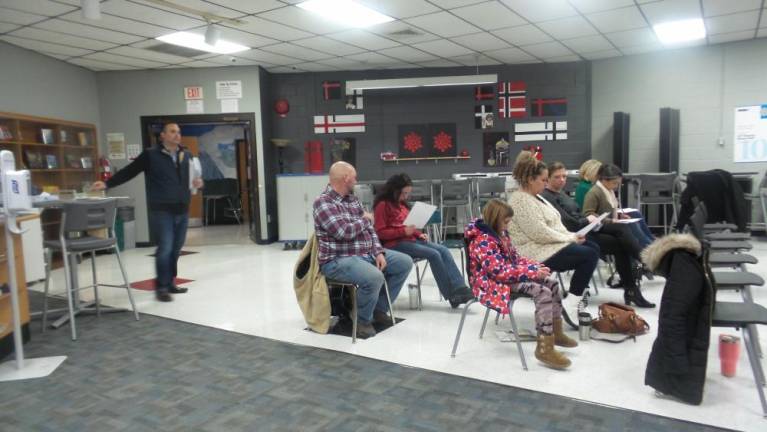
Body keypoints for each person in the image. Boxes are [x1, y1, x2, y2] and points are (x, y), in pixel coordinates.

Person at [92, 123, 202, 302]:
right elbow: (130, 171)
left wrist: (198, 183)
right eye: (172, 132)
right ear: (163, 136)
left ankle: (170, 282)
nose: (177, 135)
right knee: (165, 248)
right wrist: (107, 183)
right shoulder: (151, 155)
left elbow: (193, 178)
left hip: (182, 209)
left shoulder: (186, 154)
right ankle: (162, 287)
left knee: (175, 249)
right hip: (161, 209)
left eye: (179, 132)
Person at [465, 199, 577, 370]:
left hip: (506, 277)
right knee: (542, 292)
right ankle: (544, 347)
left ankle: (556, 332)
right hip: (490, 284)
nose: (508, 225)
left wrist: (534, 266)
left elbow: (515, 259)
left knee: (552, 284)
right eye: (506, 221)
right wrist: (531, 272)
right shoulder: (483, 241)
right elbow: (498, 272)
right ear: (495, 219)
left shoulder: (501, 234)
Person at [313, 161, 413, 339]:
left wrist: (378, 252)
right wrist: (367, 219)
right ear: (345, 178)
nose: (356, 180)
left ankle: (378, 309)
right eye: (354, 177)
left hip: (365, 254)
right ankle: (361, 319)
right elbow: (343, 232)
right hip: (337, 260)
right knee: (374, 277)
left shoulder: (353, 200)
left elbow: (370, 232)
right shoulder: (323, 203)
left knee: (404, 263)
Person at [542, 162, 655, 309]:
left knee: (622, 240)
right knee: (621, 235)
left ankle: (633, 287)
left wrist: (589, 220)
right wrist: (588, 219)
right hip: (574, 235)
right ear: (547, 178)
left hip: (584, 228)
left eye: (564, 176)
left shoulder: (562, 194)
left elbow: (576, 216)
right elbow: (569, 222)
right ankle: (640, 272)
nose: (562, 180)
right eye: (557, 177)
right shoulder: (548, 196)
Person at [507, 152, 599, 323]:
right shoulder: (520, 201)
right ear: (530, 180)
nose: (545, 183)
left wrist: (571, 236)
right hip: (532, 253)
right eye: (543, 180)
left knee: (593, 247)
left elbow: (554, 226)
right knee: (589, 255)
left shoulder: (535, 197)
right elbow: (539, 233)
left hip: (544, 246)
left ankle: (574, 298)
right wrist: (570, 238)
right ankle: (572, 302)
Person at [373, 173, 474, 308]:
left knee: (443, 249)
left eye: (408, 193)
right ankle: (452, 295)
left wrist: (418, 234)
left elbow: (409, 225)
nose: (406, 197)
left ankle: (460, 287)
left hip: (410, 240)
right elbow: (380, 232)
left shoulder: (402, 205)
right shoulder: (383, 205)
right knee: (434, 254)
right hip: (395, 244)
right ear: (394, 190)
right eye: (404, 193)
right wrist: (403, 232)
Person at [582, 163, 655, 250]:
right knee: (631, 226)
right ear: (604, 180)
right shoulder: (594, 193)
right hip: (600, 227)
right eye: (615, 183)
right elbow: (589, 215)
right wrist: (611, 220)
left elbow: (608, 210)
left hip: (608, 222)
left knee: (634, 218)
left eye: (618, 183)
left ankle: (651, 244)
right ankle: (649, 248)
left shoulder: (608, 190)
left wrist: (620, 216)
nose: (616, 186)